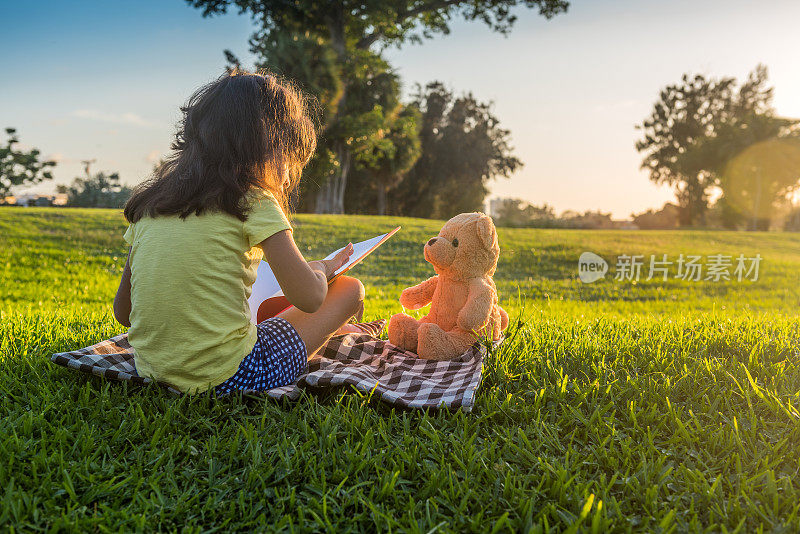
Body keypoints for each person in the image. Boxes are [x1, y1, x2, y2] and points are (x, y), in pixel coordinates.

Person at [112, 69, 364, 395]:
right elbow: (310, 297)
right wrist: (324, 268)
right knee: (350, 290)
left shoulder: (151, 205)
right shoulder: (252, 200)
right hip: (232, 376)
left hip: (152, 371)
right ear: (271, 147)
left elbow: (124, 312)